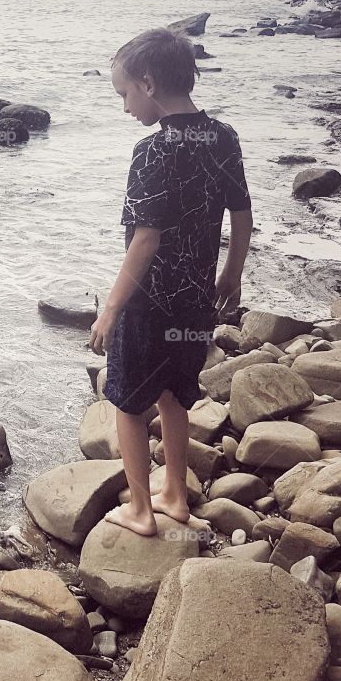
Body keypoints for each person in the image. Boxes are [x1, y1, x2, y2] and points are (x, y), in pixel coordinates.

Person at [88, 27, 253, 537]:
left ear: (149, 83)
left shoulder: (151, 151)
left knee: (128, 404)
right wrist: (233, 272)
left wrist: (111, 308)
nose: (125, 106)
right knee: (176, 397)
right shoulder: (222, 136)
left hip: (148, 304)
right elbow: (242, 212)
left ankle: (140, 509)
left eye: (125, 94)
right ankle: (175, 495)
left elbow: (146, 240)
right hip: (198, 297)